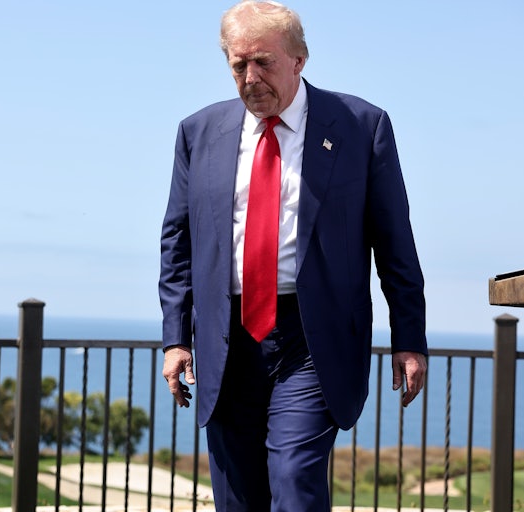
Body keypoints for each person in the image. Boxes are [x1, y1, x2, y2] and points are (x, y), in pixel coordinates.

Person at [159, 1, 428, 510]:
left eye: (264, 62)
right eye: (239, 65)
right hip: (226, 339)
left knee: (294, 479)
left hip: (313, 338)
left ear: (300, 59)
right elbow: (178, 242)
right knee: (238, 497)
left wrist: (408, 338)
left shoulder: (360, 126)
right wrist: (176, 337)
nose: (250, 77)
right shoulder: (198, 133)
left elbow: (395, 241)